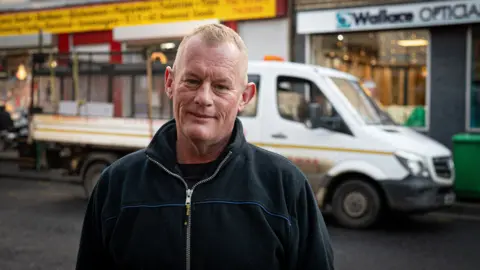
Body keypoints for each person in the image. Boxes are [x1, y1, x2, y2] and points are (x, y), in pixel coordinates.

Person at [76, 23, 334, 270]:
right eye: (192, 81)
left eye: (221, 86)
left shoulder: (285, 187)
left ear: (245, 97)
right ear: (169, 83)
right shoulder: (116, 185)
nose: (203, 98)